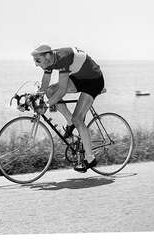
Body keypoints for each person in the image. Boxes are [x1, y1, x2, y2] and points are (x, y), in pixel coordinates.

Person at [31, 44, 105, 172]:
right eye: (35, 61)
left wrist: (47, 105)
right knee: (50, 91)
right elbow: (46, 81)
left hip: (94, 81)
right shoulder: (50, 60)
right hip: (79, 78)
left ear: (47, 56)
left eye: (38, 60)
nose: (36, 64)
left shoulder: (63, 59)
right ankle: (70, 122)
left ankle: (90, 158)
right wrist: (37, 96)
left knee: (78, 119)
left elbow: (62, 90)